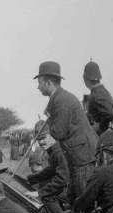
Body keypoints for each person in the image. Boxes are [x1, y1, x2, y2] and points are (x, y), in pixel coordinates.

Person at [34, 60, 99, 203]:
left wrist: (46, 126)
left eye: (39, 83)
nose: (38, 87)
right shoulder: (58, 98)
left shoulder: (61, 100)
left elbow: (58, 132)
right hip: (79, 156)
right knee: (76, 200)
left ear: (48, 83)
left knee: (83, 202)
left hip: (82, 157)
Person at [25, 120, 69, 213]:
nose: (40, 142)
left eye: (43, 138)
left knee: (48, 196)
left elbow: (62, 179)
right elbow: (51, 170)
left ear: (52, 136)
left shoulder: (59, 152)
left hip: (73, 190)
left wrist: (39, 193)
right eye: (38, 139)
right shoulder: (54, 150)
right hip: (68, 188)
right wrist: (30, 179)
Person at [83, 60, 113, 135]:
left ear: (85, 79)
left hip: (99, 138)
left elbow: (110, 114)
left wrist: (99, 127)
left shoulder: (97, 94)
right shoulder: (102, 91)